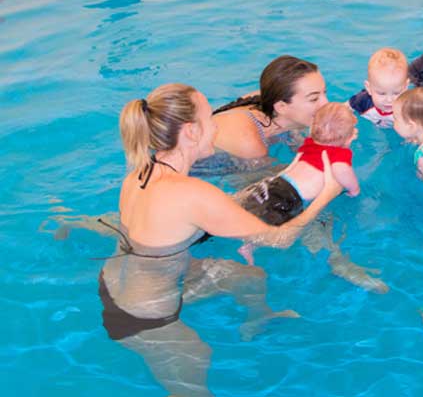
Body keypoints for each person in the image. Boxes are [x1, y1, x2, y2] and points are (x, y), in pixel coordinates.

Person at [103, 83, 342, 397]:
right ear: (190, 131)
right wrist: (326, 194)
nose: (216, 125)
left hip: (115, 286)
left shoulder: (140, 173)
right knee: (195, 375)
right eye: (209, 118)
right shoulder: (194, 194)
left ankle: (259, 319)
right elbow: (280, 239)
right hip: (146, 320)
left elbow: (168, 230)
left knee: (247, 277)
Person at [237, 102, 361, 265]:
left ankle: (248, 245)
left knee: (259, 215)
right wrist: (354, 190)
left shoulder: (309, 142)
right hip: (290, 198)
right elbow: (344, 173)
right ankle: (250, 246)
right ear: (350, 137)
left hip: (274, 185)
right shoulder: (339, 155)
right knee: (273, 227)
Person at [191, 55, 328, 176]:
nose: (325, 103)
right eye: (314, 99)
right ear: (281, 107)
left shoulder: (272, 98)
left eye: (324, 93)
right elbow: (259, 194)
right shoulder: (250, 143)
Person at [347, 47, 410, 128]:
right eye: (382, 93)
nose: (389, 100)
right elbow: (343, 109)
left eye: (396, 93)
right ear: (369, 88)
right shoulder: (363, 100)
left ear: (405, 87)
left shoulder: (409, 109)